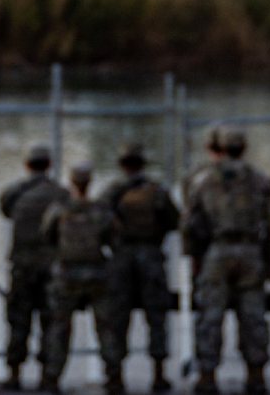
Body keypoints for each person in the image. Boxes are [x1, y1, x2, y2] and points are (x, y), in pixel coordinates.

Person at [182, 128, 270, 395]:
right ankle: (256, 374)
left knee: (210, 316)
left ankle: (207, 375)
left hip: (217, 251)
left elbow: (189, 224)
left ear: (221, 149)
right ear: (244, 148)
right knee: (253, 315)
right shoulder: (260, 180)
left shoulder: (203, 180)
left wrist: (194, 258)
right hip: (251, 253)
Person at [99, 142, 181, 392]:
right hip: (151, 256)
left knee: (117, 318)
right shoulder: (157, 191)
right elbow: (174, 221)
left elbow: (99, 224)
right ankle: (158, 373)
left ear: (122, 165)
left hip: (121, 257)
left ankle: (115, 375)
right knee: (156, 316)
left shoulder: (111, 191)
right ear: (142, 164)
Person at [41, 162, 124, 393]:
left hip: (66, 274)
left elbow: (47, 237)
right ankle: (114, 376)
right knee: (106, 327)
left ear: (71, 182)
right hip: (98, 274)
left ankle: (52, 377)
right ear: (90, 182)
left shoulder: (59, 209)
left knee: (59, 327)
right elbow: (115, 241)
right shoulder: (102, 210)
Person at [0, 144, 70, 390]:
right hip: (51, 266)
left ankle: (14, 374)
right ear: (48, 165)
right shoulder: (61, 193)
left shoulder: (15, 192)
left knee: (18, 320)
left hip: (22, 266)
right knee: (50, 321)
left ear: (27, 165)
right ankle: (48, 376)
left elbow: (4, 209)